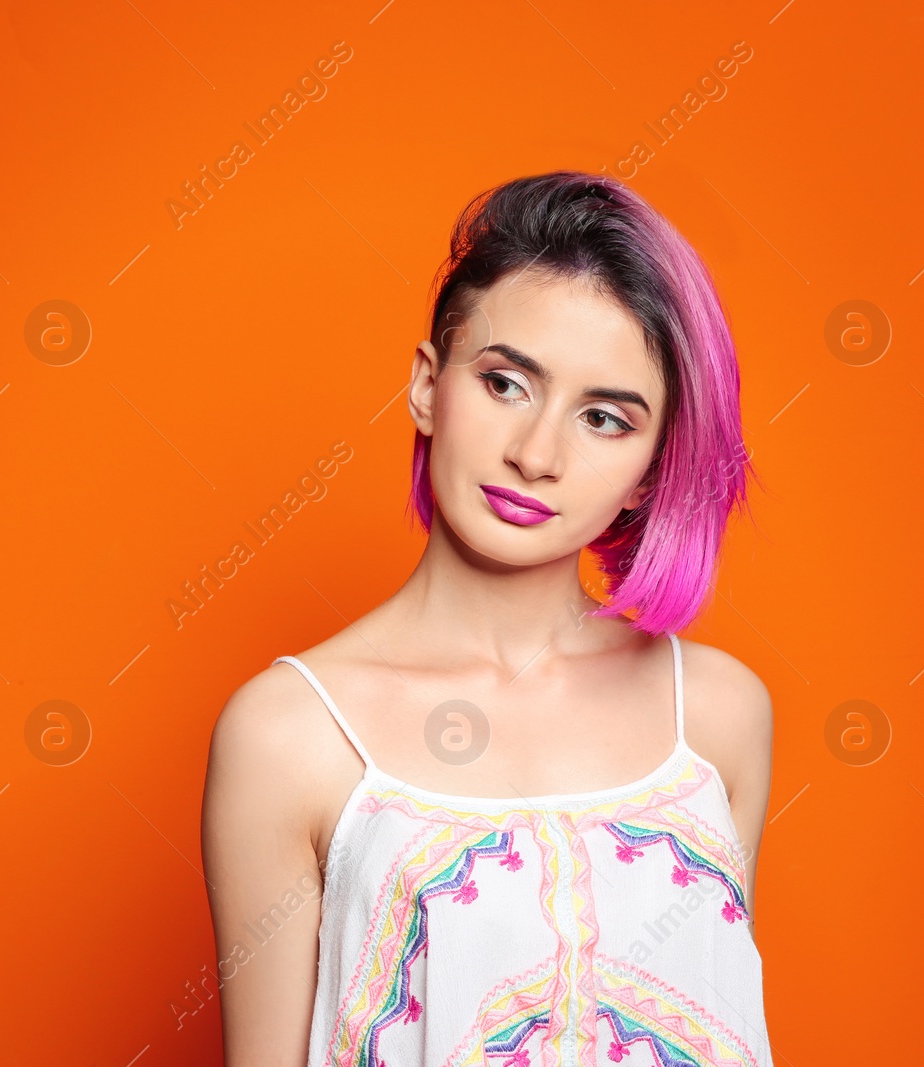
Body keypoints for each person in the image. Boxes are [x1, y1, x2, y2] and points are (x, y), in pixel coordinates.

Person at [201, 171, 775, 1067]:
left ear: (653, 471)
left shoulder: (715, 716)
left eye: (604, 418)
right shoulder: (287, 734)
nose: (536, 453)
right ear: (430, 386)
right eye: (506, 383)